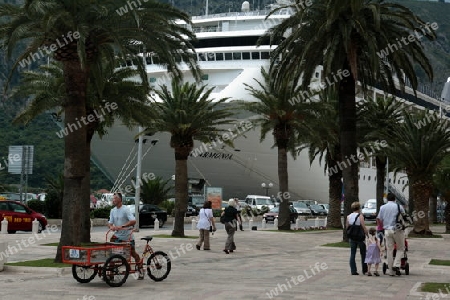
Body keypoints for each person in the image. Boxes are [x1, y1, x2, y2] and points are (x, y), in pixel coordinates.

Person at [108, 192, 144, 279]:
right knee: (111, 253)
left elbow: (133, 221)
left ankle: (141, 270)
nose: (113, 200)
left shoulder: (125, 209)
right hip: (117, 236)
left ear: (120, 199)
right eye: (113, 198)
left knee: (133, 254)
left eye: (115, 198)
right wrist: (111, 227)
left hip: (127, 237)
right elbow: (110, 223)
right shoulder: (113, 210)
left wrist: (122, 226)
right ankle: (111, 273)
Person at [377, 192, 405, 276]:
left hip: (387, 230)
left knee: (389, 250)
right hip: (397, 230)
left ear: (387, 199)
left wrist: (381, 227)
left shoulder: (382, 207)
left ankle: (391, 272)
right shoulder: (399, 207)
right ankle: (396, 264)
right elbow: (404, 216)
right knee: (401, 248)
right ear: (395, 199)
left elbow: (378, 218)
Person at [346, 201, 368, 275]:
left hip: (352, 237)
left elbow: (347, 226)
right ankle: (364, 269)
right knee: (363, 253)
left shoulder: (348, 216)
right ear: (359, 208)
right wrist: (367, 234)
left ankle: (353, 270)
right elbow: (363, 227)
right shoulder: (360, 216)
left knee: (353, 253)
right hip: (360, 237)